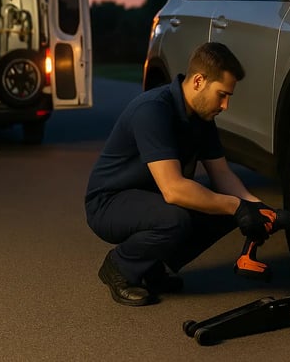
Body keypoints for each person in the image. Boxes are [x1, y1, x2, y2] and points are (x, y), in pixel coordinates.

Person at [84, 42, 277, 306]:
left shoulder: (203, 117)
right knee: (177, 217)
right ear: (198, 81)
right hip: (108, 202)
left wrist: (257, 208)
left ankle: (151, 266)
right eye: (222, 95)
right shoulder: (153, 110)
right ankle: (120, 267)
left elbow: (222, 174)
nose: (225, 105)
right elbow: (173, 189)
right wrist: (236, 207)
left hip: (149, 198)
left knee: (227, 203)